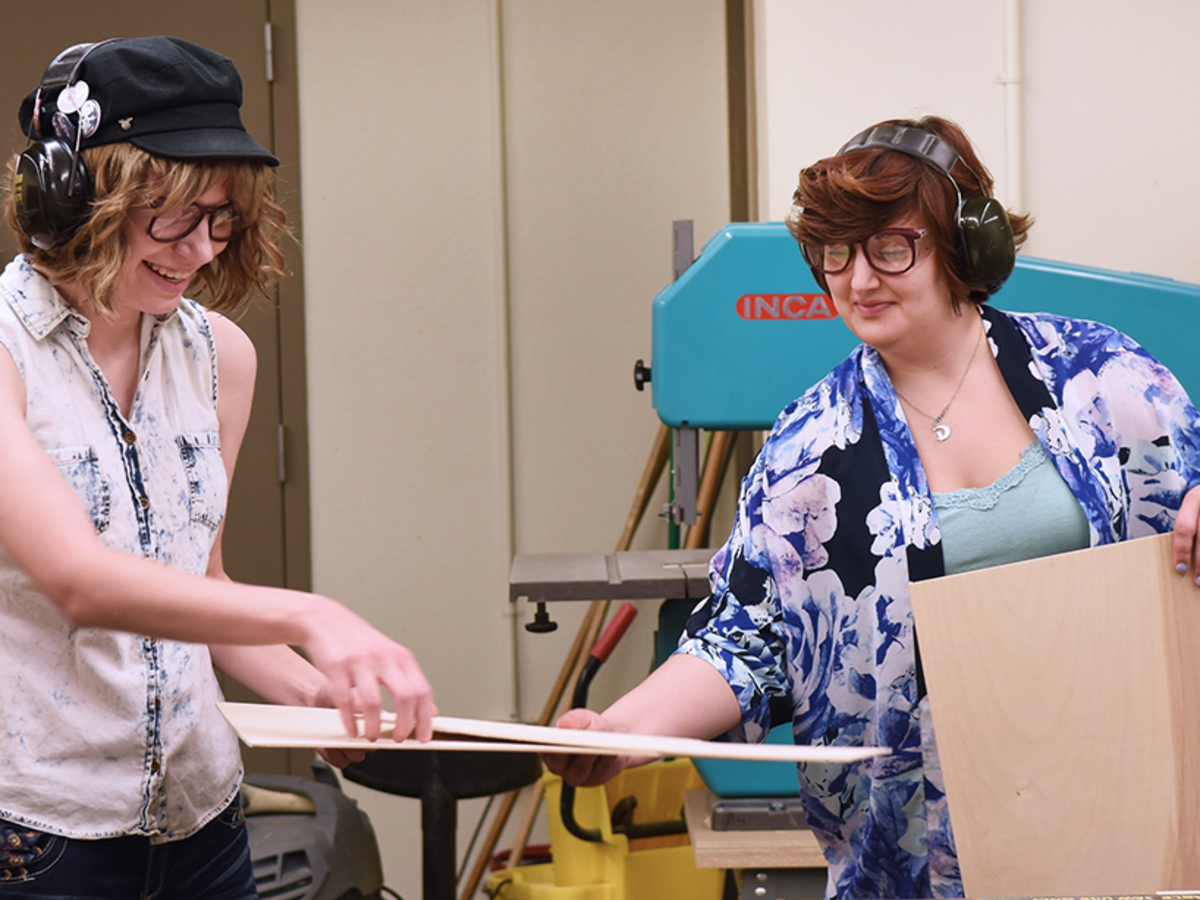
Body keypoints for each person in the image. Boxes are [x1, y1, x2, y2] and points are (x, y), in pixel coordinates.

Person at [545, 115, 1200, 898]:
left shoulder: (1102, 378)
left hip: (1128, 836)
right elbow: (741, 640)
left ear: (965, 247)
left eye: (891, 247)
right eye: (836, 254)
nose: (858, 280)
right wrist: (623, 733)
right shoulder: (806, 452)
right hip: (913, 865)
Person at [0, 37, 435, 898]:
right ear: (72, 195)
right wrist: (314, 614)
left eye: (221, 218)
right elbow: (81, 582)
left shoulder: (218, 359)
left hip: (205, 822)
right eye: (171, 215)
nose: (200, 250)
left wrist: (310, 690)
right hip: (44, 838)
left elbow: (199, 585)